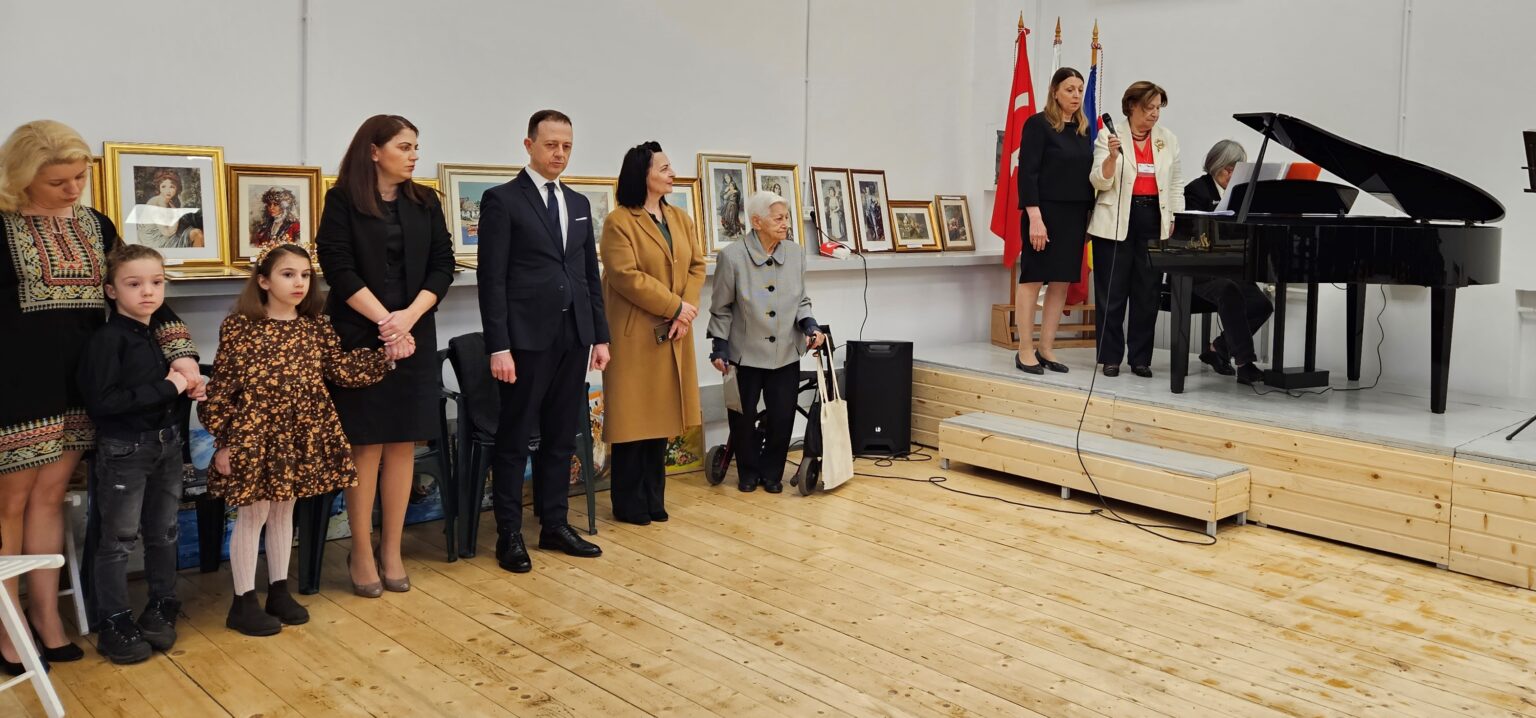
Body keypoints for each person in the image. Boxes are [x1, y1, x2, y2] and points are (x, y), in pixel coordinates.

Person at [0, 120, 201, 675]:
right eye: (57, 181)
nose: (73, 189)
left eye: (79, 176)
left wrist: (181, 352)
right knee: (9, 506)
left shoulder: (96, 224)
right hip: (15, 388)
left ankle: (46, 617)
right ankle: (7, 627)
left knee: (49, 498)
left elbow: (139, 290)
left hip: (87, 385)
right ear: (21, 176)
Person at [201, 243, 392, 635]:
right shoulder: (240, 326)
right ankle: (242, 601)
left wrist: (384, 357)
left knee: (283, 511)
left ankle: (278, 590)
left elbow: (339, 368)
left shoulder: (315, 325)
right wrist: (225, 441)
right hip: (254, 435)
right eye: (288, 274)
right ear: (263, 281)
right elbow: (221, 389)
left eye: (305, 275)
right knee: (254, 513)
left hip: (298, 435)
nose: (299, 283)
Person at [316, 114, 455, 596]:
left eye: (416, 146)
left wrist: (407, 319)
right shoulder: (342, 200)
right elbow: (337, 266)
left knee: (402, 444)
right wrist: (385, 322)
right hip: (359, 333)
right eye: (404, 146)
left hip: (413, 333)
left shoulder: (425, 201)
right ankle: (360, 550)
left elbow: (443, 265)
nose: (414, 155)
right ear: (374, 151)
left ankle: (391, 549)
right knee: (367, 445)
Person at [476, 109, 609, 573]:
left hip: (574, 337)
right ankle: (509, 533)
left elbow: (588, 274)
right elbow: (491, 280)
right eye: (551, 144)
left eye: (567, 146)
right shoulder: (502, 200)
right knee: (515, 438)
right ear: (529, 144)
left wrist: (600, 336)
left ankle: (554, 524)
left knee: (560, 435)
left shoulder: (578, 202)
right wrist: (498, 346)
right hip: (525, 339)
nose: (559, 153)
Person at [75, 245, 194, 664]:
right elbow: (104, 402)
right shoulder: (108, 341)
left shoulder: (157, 336)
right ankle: (114, 620)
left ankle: (162, 604)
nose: (148, 292)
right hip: (126, 449)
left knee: (164, 531)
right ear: (111, 291)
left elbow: (170, 387)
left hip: (167, 444)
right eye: (134, 284)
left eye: (157, 282)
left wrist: (188, 388)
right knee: (119, 539)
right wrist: (169, 387)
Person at [600, 142, 706, 524]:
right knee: (633, 422)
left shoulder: (680, 218)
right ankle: (628, 503)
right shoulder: (619, 222)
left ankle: (653, 497)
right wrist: (675, 306)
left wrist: (685, 311)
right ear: (642, 175)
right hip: (635, 336)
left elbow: (696, 266)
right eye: (663, 168)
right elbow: (625, 275)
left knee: (661, 419)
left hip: (674, 332)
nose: (671, 173)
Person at [707, 190, 824, 493]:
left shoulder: (796, 254)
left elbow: (801, 300)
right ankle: (747, 472)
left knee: (782, 416)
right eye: (778, 218)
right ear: (757, 221)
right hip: (744, 353)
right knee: (742, 417)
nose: (786, 224)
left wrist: (810, 325)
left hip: (786, 350)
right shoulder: (732, 257)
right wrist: (719, 346)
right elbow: (721, 307)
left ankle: (772, 472)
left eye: (787, 217)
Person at [1088, 81, 1183, 378]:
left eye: (1158, 108)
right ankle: (1110, 357)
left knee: (1147, 293)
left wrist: (1174, 217)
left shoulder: (1168, 139)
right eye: (1148, 107)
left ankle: (1140, 358)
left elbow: (1176, 183)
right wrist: (1112, 157)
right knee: (1112, 293)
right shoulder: (1109, 135)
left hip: (1154, 218)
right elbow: (1098, 181)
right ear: (1131, 106)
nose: (1154, 114)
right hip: (1115, 220)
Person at [1015, 66, 1095, 375]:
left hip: (1074, 215)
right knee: (1033, 278)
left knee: (1061, 281)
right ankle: (1024, 349)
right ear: (1055, 92)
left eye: (1079, 90)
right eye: (1069, 89)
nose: (1076, 95)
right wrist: (1035, 217)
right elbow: (1028, 173)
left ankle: (1046, 347)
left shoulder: (1083, 130)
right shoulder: (1038, 125)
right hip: (1044, 213)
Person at [1185, 140, 1271, 385]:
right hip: (1197, 270)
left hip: (1229, 268)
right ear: (1215, 165)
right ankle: (1245, 364)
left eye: (1236, 170)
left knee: (1262, 305)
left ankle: (1218, 349)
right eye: (1227, 169)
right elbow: (1190, 235)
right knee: (1230, 292)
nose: (1232, 175)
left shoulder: (1240, 194)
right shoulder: (1196, 191)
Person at [136, 170, 202, 248]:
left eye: (172, 187)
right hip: (154, 241)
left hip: (164, 236)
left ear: (177, 188)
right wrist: (177, 214)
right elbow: (167, 232)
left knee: (196, 232)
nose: (168, 190)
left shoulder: (170, 202)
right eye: (163, 186)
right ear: (159, 187)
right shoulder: (157, 202)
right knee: (197, 234)